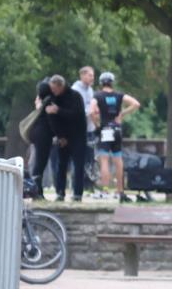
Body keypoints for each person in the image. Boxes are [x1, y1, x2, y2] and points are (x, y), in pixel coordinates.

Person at [90, 72, 140, 203]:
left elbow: (91, 110)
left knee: (105, 161)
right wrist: (122, 114)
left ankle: (105, 190)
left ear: (101, 83)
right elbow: (136, 104)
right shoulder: (119, 95)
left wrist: (96, 123)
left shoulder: (98, 95)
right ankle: (120, 191)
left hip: (105, 129)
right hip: (117, 129)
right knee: (118, 161)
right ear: (112, 82)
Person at [43, 74, 87, 202]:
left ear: (61, 86)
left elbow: (77, 115)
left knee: (78, 165)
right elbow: (52, 120)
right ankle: (60, 192)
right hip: (63, 137)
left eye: (55, 88)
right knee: (61, 165)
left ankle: (78, 193)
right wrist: (60, 136)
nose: (53, 91)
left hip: (78, 136)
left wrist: (58, 111)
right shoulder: (52, 98)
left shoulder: (75, 96)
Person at [71, 66, 97, 190]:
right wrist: (91, 111)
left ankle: (88, 185)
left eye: (93, 75)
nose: (93, 77)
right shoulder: (75, 90)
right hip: (78, 130)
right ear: (82, 75)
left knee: (90, 158)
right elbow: (76, 111)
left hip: (89, 129)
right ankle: (76, 184)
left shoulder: (90, 90)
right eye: (90, 75)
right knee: (78, 158)